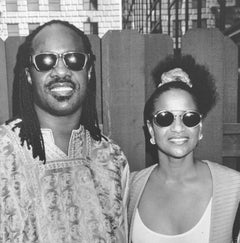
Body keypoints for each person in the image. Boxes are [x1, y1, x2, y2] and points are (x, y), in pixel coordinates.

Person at [0, 20, 129, 243]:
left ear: (88, 72)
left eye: (74, 59)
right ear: (29, 75)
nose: (61, 70)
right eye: (45, 61)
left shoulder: (112, 158)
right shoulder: (3, 154)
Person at [128, 55, 240, 243]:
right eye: (165, 118)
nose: (178, 128)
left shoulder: (234, 188)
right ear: (150, 129)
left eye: (189, 118)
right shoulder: (130, 188)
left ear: (200, 128)